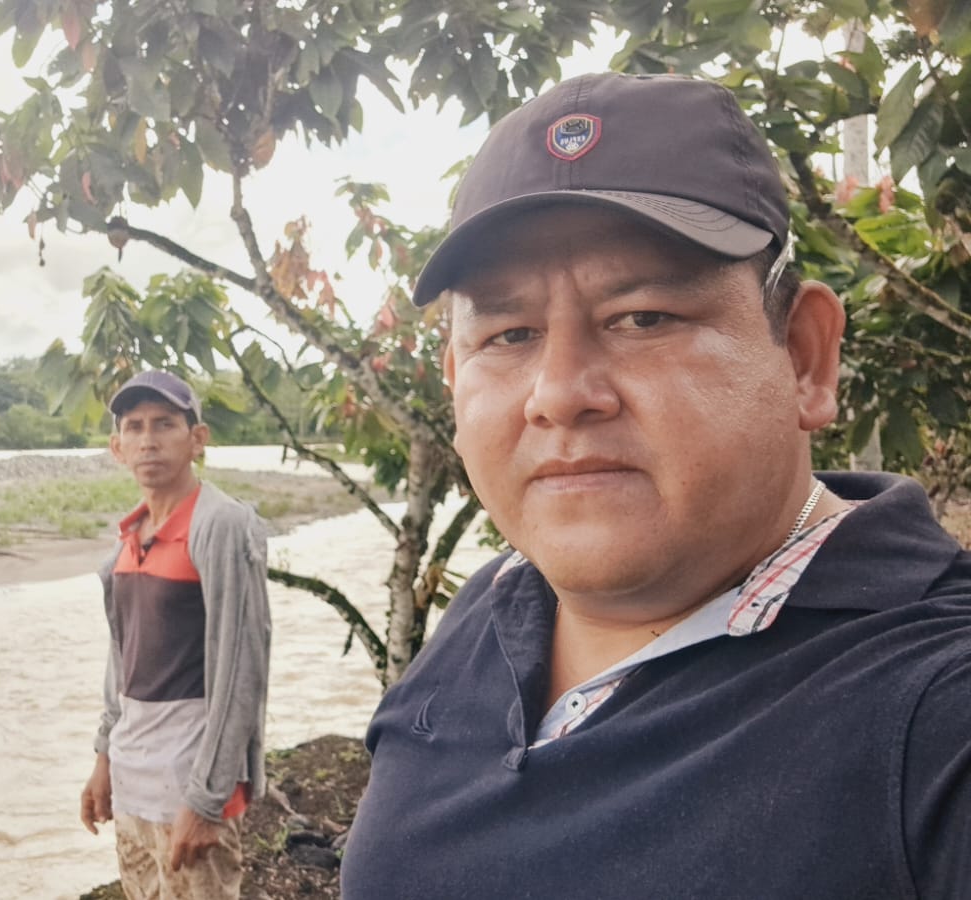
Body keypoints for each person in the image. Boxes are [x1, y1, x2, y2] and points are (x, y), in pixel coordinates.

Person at [340, 72, 971, 898]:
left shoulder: (933, 708)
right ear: (456, 381)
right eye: (510, 334)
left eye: (643, 318)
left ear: (804, 358)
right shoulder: (495, 603)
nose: (558, 393)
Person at [79, 370, 271, 900]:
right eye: (135, 427)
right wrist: (103, 758)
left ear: (197, 439)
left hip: (189, 786)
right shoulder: (125, 543)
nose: (149, 440)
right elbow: (121, 662)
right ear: (117, 448)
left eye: (165, 424)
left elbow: (242, 668)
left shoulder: (221, 525)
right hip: (133, 782)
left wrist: (208, 800)